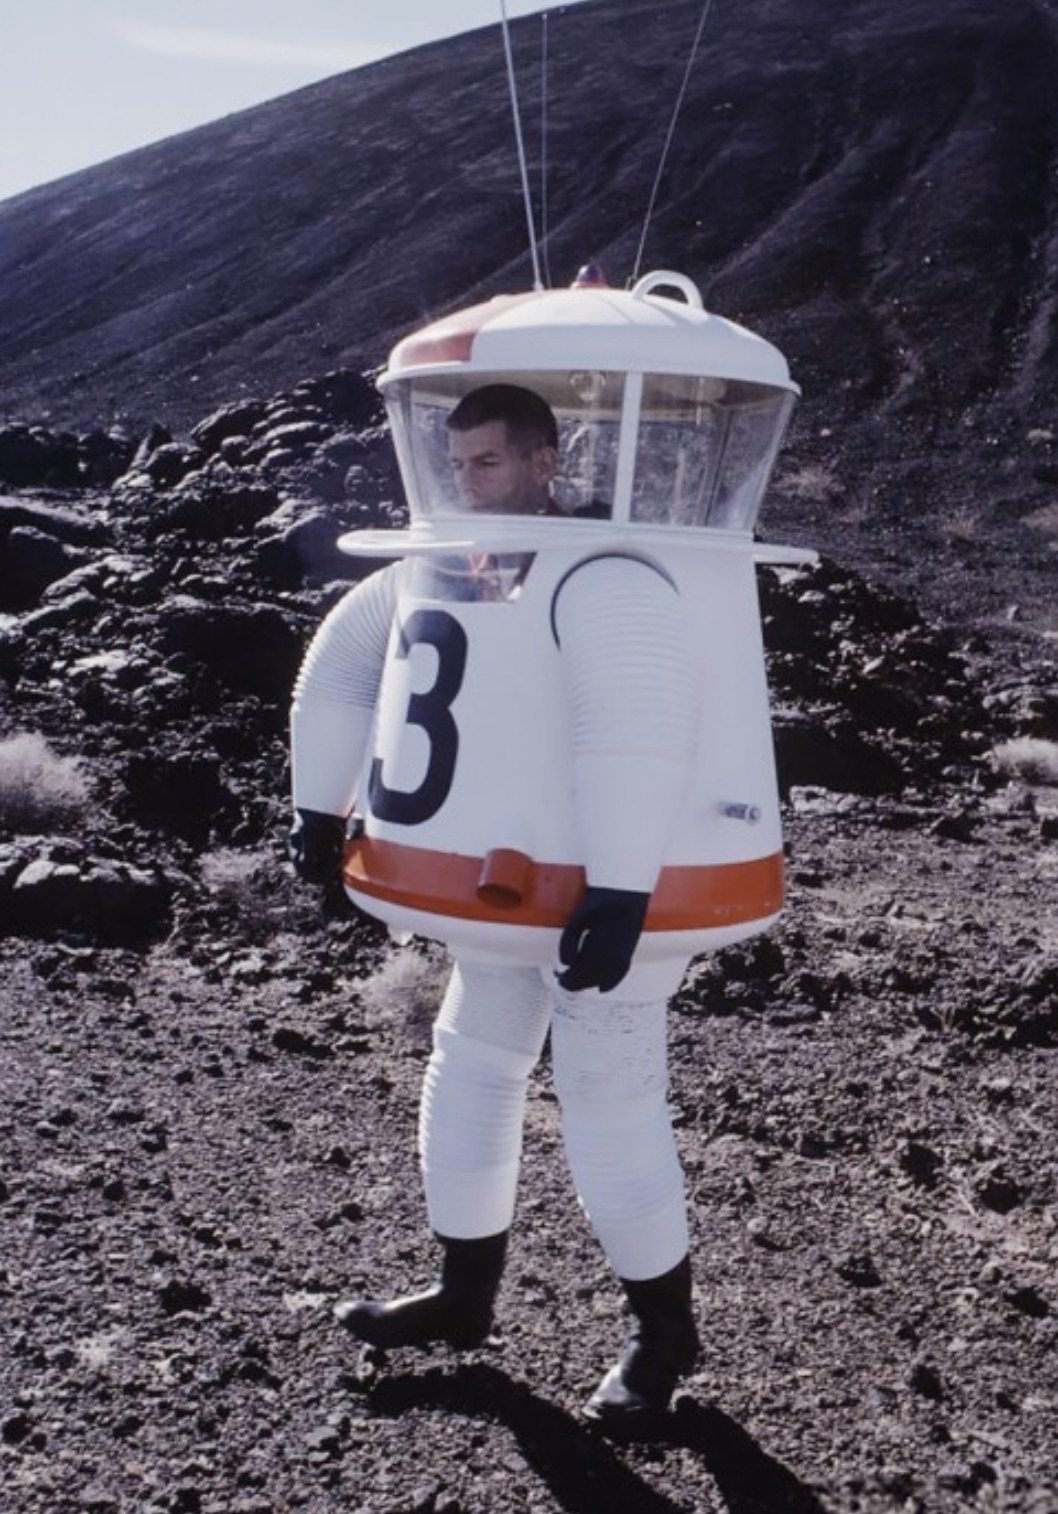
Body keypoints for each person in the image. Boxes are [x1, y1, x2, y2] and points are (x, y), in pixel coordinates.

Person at [288, 382, 701, 1434]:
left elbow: (635, 720)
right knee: (472, 1059)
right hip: (502, 881)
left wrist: (618, 882)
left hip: (620, 881)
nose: (465, 482)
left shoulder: (599, 571)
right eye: (455, 463)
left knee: (605, 1092)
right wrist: (313, 807)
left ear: (542, 461)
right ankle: (462, 1292)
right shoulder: (465, 565)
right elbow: (344, 666)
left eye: (486, 464)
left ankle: (664, 1334)